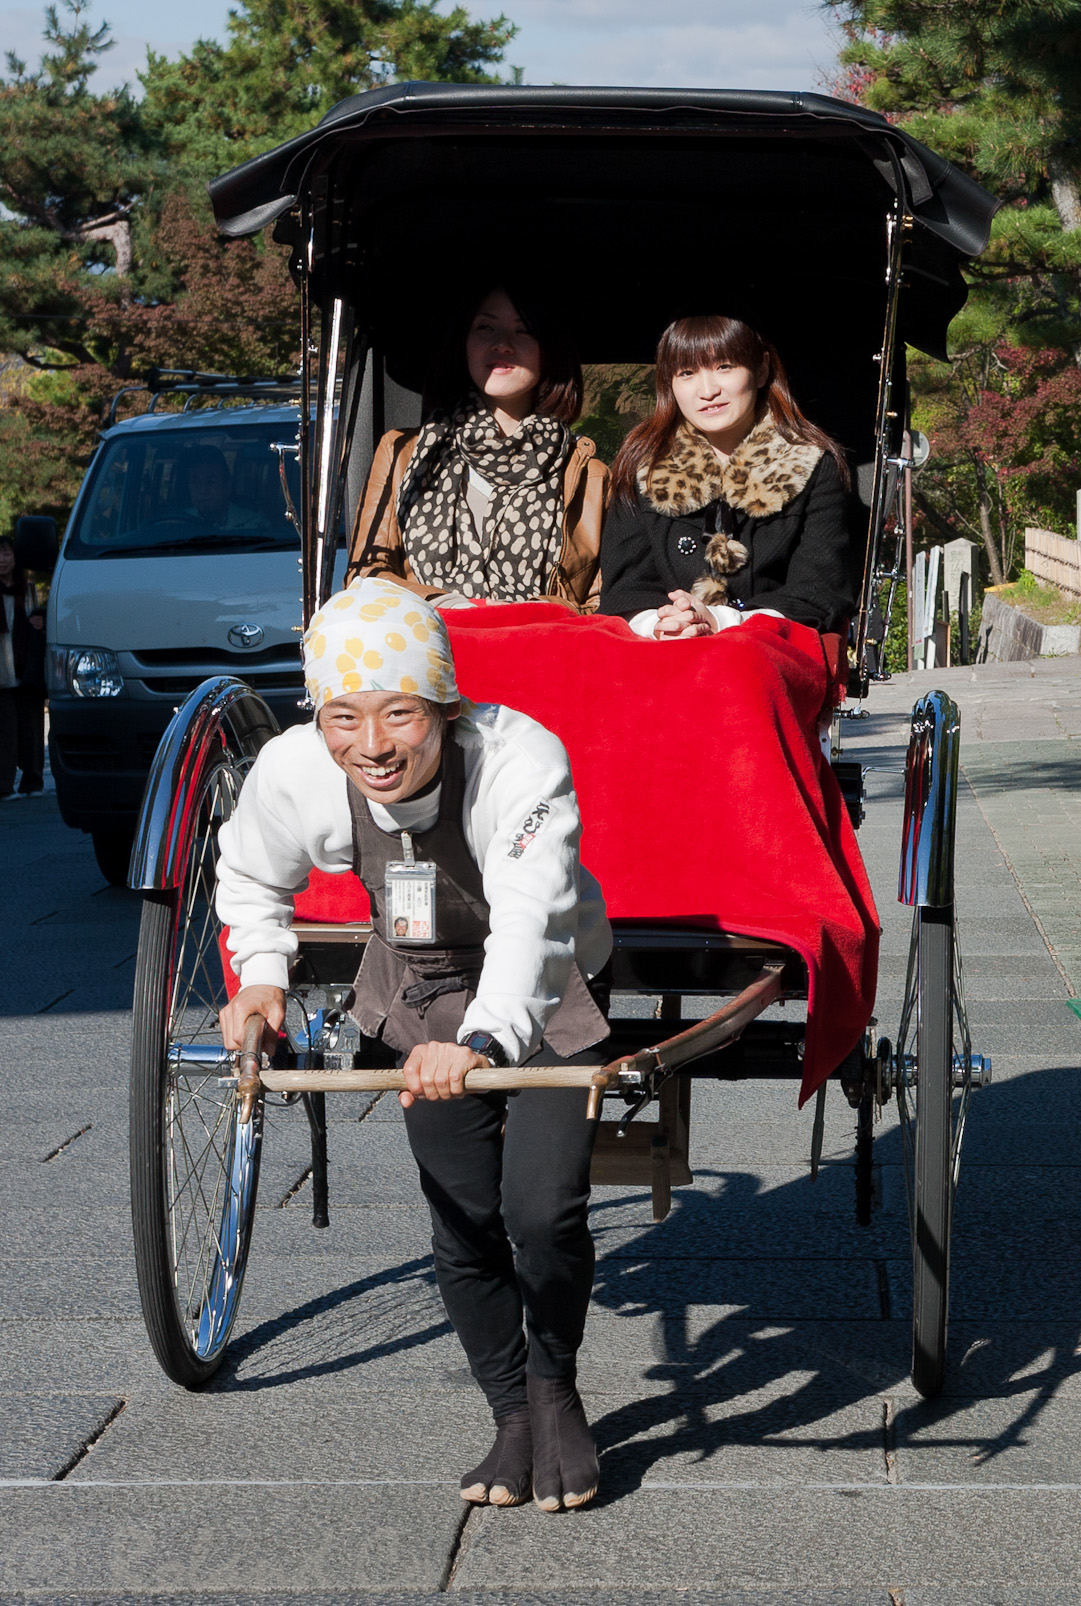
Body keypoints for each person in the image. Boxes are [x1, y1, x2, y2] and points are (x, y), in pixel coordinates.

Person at [216, 576, 612, 1512]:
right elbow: (248, 876)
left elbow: (529, 915)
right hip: (422, 985)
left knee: (543, 1211)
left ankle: (554, 1389)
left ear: (442, 704)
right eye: (343, 718)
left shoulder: (518, 756)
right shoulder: (297, 766)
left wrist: (481, 1039)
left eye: (399, 714)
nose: (372, 746)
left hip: (542, 987)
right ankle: (511, 1415)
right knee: (465, 1216)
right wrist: (263, 976)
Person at [344, 286, 607, 610]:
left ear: (549, 350)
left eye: (522, 330)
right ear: (464, 343)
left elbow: (600, 605)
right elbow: (366, 575)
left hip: (535, 651)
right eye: (486, 327)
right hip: (425, 650)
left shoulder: (588, 476)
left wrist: (519, 615)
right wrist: (450, 605)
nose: (502, 344)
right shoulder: (402, 452)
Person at [599, 314, 858, 639]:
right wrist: (662, 624)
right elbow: (625, 590)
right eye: (687, 373)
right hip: (660, 656)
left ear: (761, 369)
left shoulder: (815, 466)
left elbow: (821, 589)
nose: (707, 390)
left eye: (724, 367)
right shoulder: (642, 467)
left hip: (766, 655)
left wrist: (721, 621)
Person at [0, 535, 46, 799]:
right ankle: (4, 786)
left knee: (32, 728)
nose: (2, 560)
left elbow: (35, 618)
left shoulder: (27, 588)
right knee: (5, 731)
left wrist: (39, 622)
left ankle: (33, 782)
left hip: (27, 668)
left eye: (6, 554)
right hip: (3, 671)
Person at [182, 445, 266, 530]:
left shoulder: (253, 525)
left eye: (211, 481)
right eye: (195, 482)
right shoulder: (178, 524)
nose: (202, 490)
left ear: (227, 486)